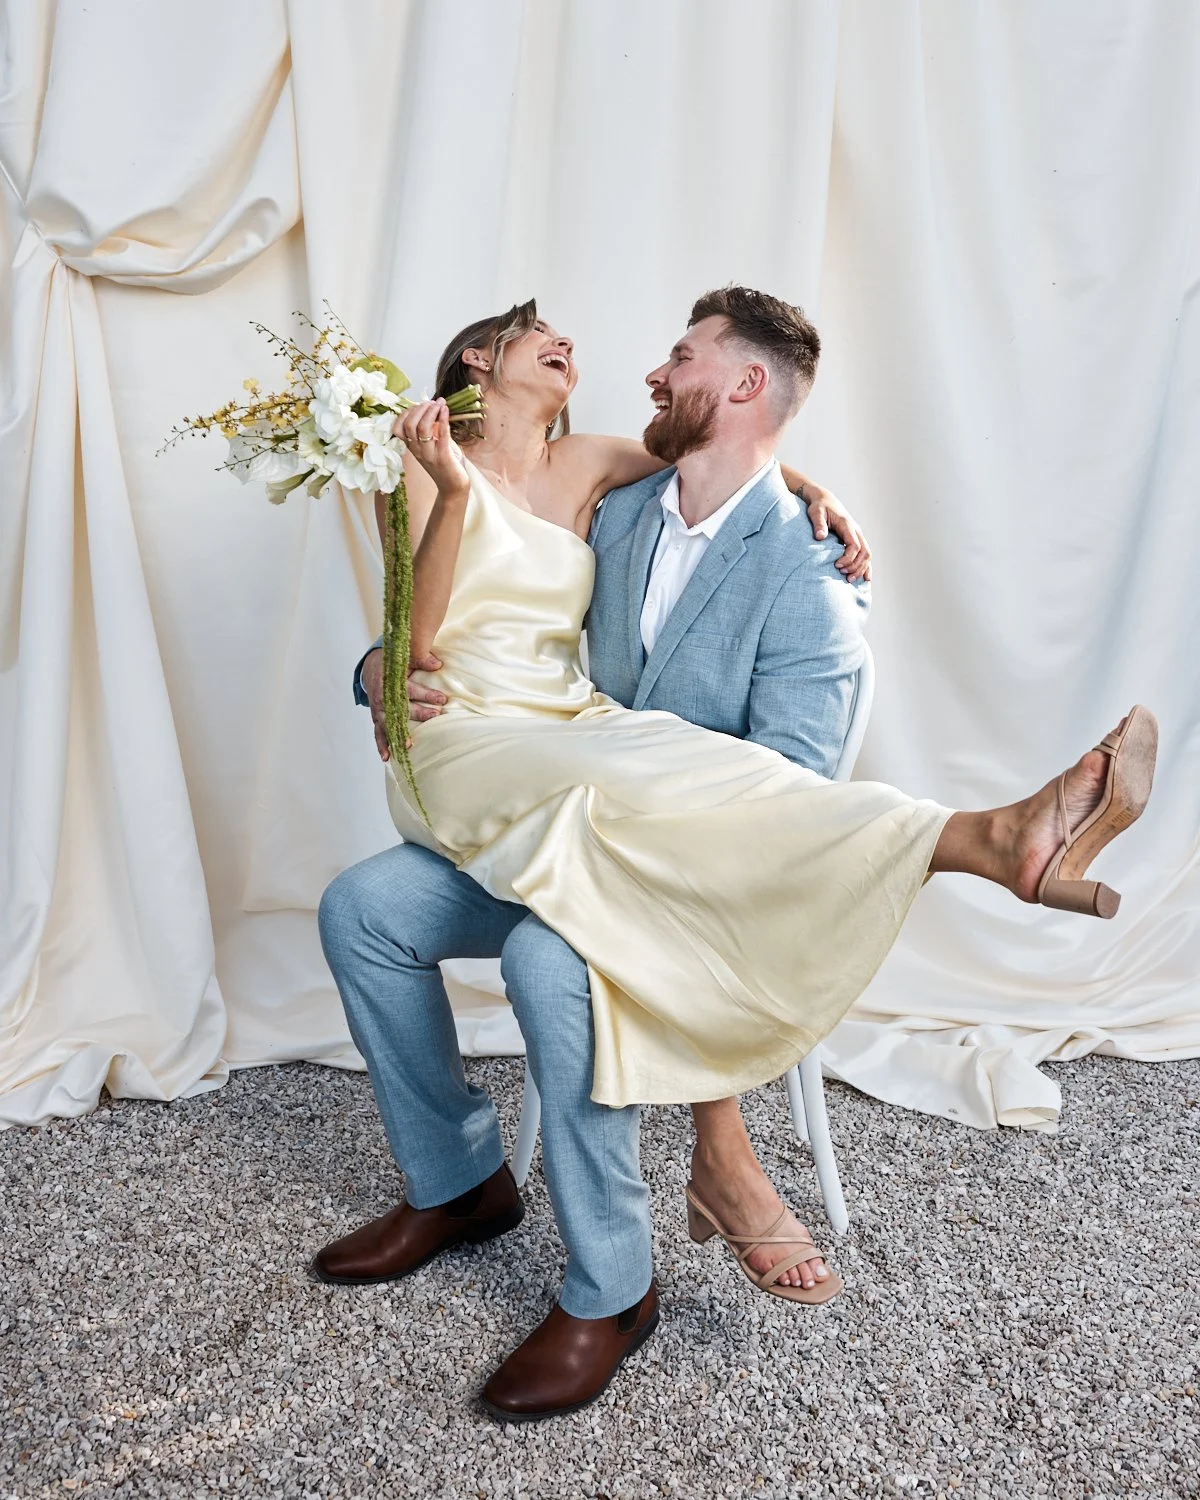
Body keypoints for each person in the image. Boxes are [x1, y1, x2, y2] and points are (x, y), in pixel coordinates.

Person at [315, 288, 1156, 1422]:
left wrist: (802, 487)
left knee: (551, 968)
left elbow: (790, 793)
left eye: (680, 358)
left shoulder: (807, 578)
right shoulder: (614, 502)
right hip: (511, 788)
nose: (647, 372)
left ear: (745, 388)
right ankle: (460, 1184)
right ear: (480, 357)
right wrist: (377, 670)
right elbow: (443, 618)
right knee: (364, 909)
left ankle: (612, 1291)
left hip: (638, 841)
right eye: (653, 355)